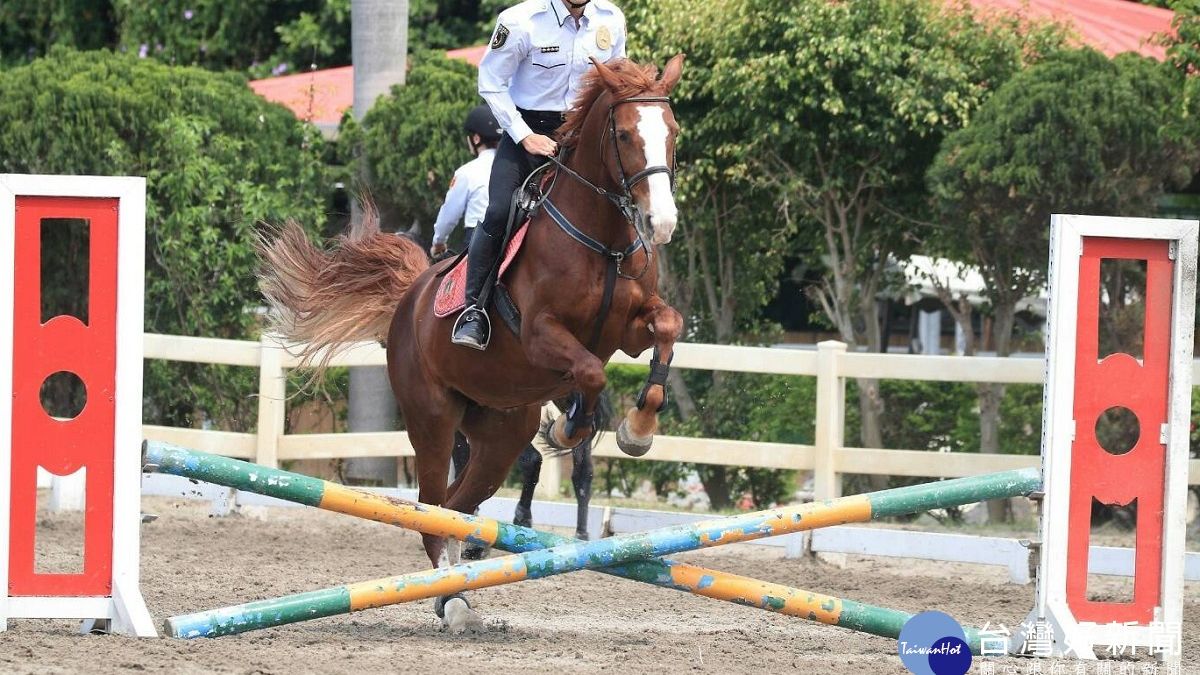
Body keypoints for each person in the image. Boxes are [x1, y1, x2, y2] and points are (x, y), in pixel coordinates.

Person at [451, 0, 628, 350]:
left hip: (583, 136)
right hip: (527, 132)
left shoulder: (612, 18)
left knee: (626, 200)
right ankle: (474, 310)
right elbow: (490, 82)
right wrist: (524, 135)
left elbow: (617, 82)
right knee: (500, 211)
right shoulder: (520, 21)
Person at [429, 105, 503, 258]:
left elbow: (449, 214)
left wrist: (439, 242)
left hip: (479, 243)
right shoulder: (515, 168)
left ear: (476, 139)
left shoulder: (467, 172)